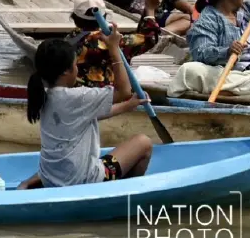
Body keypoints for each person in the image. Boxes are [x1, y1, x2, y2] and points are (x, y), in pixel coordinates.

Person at [17, 36, 153, 190]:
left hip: (52, 178)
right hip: (84, 181)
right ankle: (125, 193)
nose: (77, 69)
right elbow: (124, 91)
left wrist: (128, 105)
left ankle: (30, 182)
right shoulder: (77, 97)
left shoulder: (44, 94)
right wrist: (114, 49)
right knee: (144, 143)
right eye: (75, 65)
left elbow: (93, 114)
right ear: (66, 72)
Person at [66, 0, 157, 87]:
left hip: (77, 89)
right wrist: (150, 10)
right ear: (104, 17)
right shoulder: (109, 42)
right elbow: (149, 38)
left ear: (74, 18)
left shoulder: (72, 36)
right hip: (107, 94)